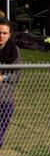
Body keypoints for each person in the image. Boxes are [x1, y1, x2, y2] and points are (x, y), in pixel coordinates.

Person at [0, 19, 20, 147]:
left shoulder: (14, 51)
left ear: (9, 34)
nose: (1, 36)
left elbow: (16, 75)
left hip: (5, 97)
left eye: (4, 33)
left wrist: (3, 77)